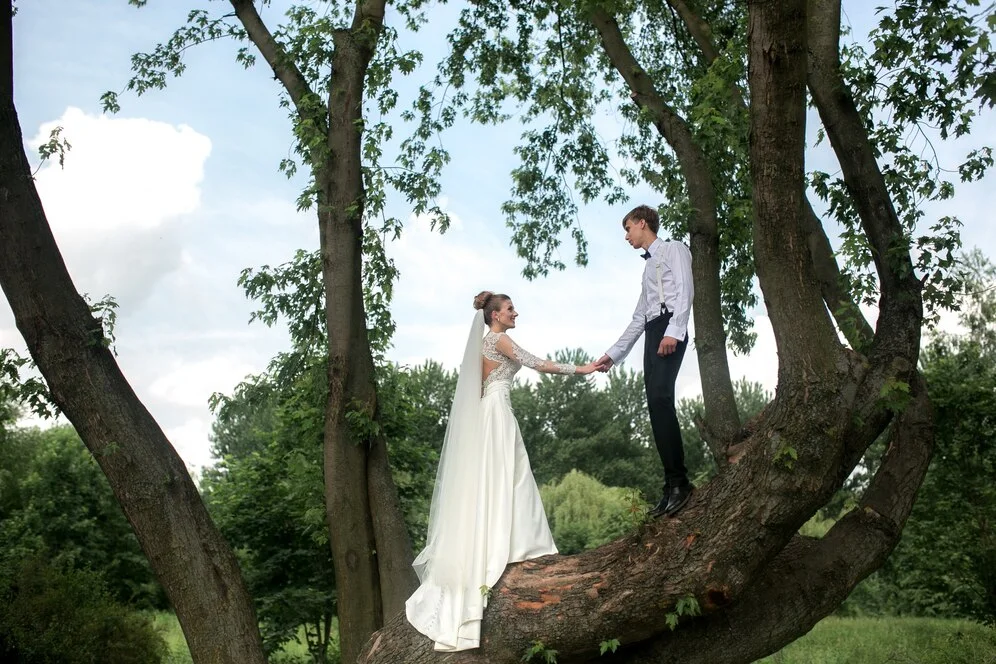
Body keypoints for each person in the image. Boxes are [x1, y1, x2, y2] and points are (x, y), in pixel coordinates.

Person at [406, 291, 599, 652]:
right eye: (510, 309)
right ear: (495, 315)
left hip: (489, 414)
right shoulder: (499, 339)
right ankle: (520, 545)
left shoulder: (484, 344)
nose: (516, 313)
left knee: (500, 480)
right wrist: (582, 369)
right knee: (512, 476)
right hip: (497, 414)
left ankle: (511, 541)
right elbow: (536, 362)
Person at [595, 204, 694, 518]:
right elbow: (639, 318)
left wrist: (674, 331)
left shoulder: (674, 249)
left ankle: (681, 483)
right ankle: (670, 486)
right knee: (654, 404)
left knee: (662, 398)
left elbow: (685, 290)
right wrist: (614, 354)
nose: (626, 237)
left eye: (628, 229)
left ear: (642, 223)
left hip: (669, 329)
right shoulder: (647, 268)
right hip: (653, 333)